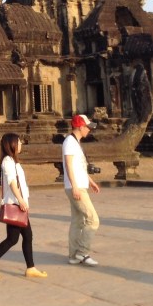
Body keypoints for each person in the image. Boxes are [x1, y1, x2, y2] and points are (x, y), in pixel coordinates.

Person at [0, 133, 47, 279]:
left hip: (19, 203)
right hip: (15, 204)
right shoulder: (7, 162)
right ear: (12, 144)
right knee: (14, 239)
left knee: (23, 237)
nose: (21, 144)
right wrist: (21, 200)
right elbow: (12, 183)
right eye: (19, 142)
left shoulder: (13, 161)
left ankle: (30, 267)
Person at [62, 114, 101, 266]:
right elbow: (69, 165)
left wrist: (90, 181)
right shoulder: (70, 142)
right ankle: (82, 252)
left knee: (78, 221)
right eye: (87, 127)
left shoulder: (75, 142)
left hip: (78, 184)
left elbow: (79, 167)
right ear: (80, 126)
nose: (89, 130)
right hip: (75, 186)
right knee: (93, 219)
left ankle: (73, 255)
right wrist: (75, 187)